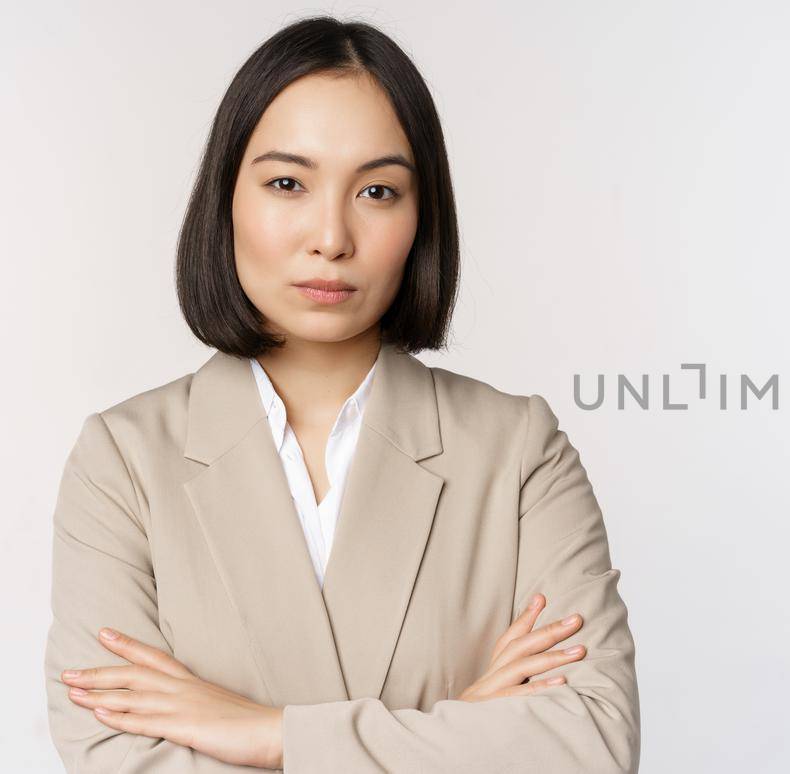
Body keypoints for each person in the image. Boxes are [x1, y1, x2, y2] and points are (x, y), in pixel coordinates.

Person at [41, 16, 640, 772]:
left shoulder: (517, 448)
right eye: (288, 183)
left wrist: (271, 734)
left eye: (378, 191)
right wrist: (463, 729)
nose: (331, 236)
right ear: (226, 197)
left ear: (421, 219)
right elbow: (112, 755)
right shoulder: (124, 461)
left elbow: (588, 746)